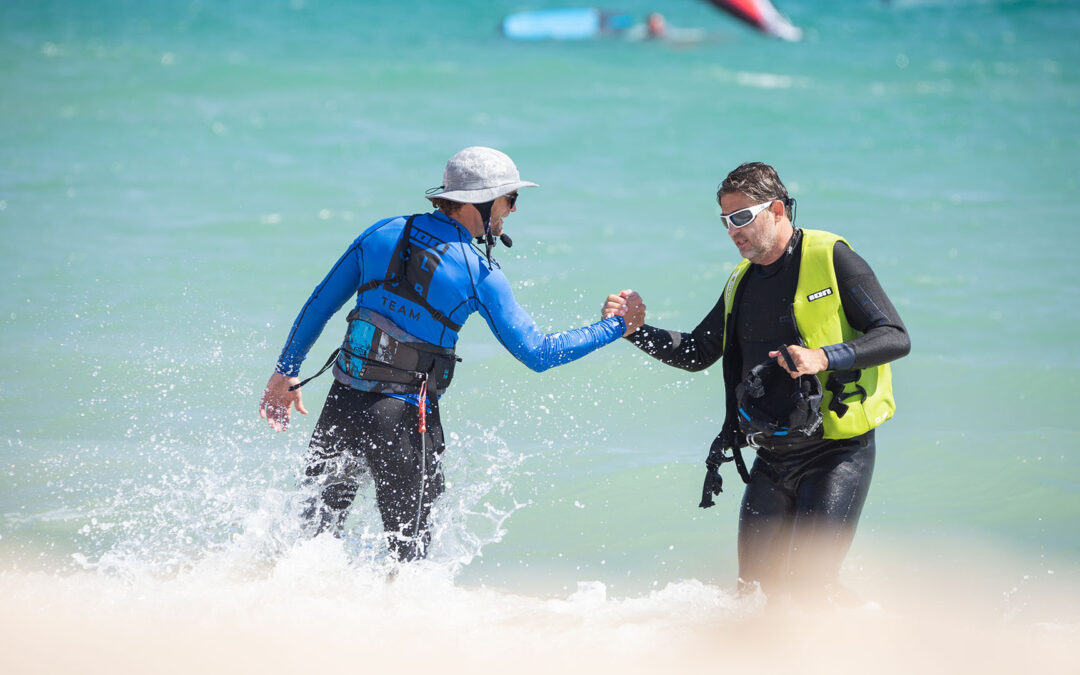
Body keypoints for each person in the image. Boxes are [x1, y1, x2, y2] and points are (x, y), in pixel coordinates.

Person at [259, 146, 645, 562]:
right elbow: (539, 353)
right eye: (510, 199)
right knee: (409, 564)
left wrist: (285, 372)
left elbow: (320, 304)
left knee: (308, 546)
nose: (512, 211)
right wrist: (617, 325)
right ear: (482, 202)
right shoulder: (479, 272)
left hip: (342, 406)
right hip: (403, 419)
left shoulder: (381, 233)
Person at [605, 162, 909, 602]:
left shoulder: (832, 256)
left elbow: (895, 335)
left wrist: (823, 357)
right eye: (726, 221)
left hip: (836, 454)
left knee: (810, 587)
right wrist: (634, 331)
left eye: (743, 217)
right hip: (772, 458)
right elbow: (698, 352)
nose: (733, 230)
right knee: (752, 594)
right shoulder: (741, 281)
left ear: (779, 210)